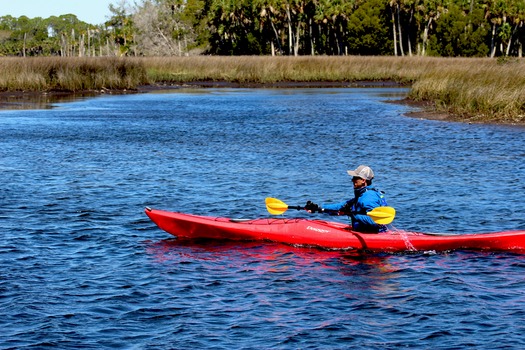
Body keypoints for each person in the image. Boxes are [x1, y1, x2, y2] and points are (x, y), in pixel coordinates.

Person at [304, 165, 388, 233]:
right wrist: (318, 208)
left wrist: (351, 214)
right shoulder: (362, 195)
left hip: (371, 235)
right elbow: (340, 206)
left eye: (355, 178)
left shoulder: (368, 197)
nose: (352, 180)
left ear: (363, 180)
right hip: (364, 231)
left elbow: (375, 222)